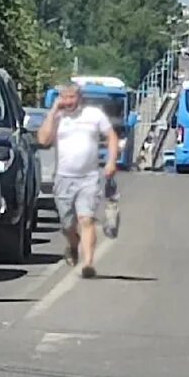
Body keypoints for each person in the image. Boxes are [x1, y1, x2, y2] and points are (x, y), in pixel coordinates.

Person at [36, 82, 119, 278]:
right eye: (64, 97)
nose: (68, 101)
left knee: (86, 219)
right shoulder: (57, 117)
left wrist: (111, 162)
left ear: (79, 98)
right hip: (63, 178)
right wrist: (53, 111)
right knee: (67, 225)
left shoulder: (93, 115)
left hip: (89, 177)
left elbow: (111, 136)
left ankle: (88, 263)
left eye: (72, 97)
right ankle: (73, 244)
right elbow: (43, 140)